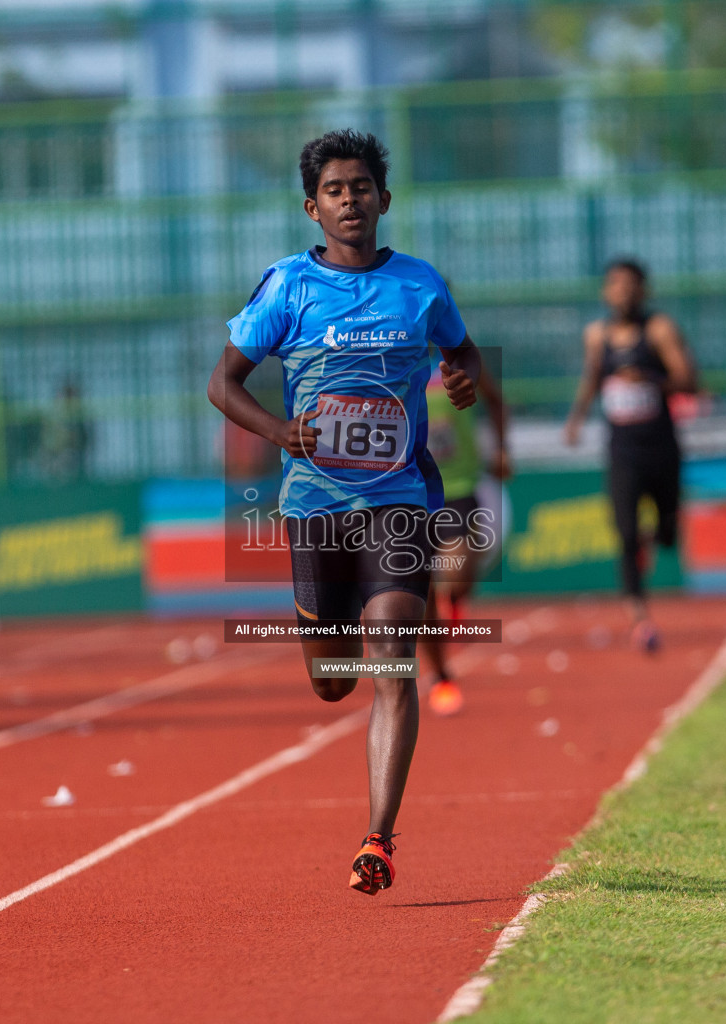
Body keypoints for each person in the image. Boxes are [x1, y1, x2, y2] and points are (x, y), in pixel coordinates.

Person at [207, 129, 483, 895]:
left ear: (384, 200)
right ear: (312, 207)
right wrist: (277, 430)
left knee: (390, 665)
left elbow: (466, 353)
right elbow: (223, 383)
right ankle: (333, 667)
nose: (351, 199)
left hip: (399, 504)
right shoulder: (287, 288)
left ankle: (378, 840)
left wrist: (461, 378)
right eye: (335, 189)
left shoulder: (421, 285)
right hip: (316, 507)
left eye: (362, 187)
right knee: (333, 681)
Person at [564, 258, 697, 652]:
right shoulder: (596, 334)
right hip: (621, 450)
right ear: (606, 291)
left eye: (629, 285)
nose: (621, 292)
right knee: (624, 533)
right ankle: (640, 617)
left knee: (669, 530)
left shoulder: (659, 330)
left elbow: (689, 379)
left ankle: (655, 536)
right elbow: (592, 377)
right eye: (614, 284)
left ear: (643, 291)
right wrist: (576, 419)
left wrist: (651, 379)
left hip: (661, 447)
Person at [419, 359, 509, 716]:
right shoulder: (382, 366)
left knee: (456, 575)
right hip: (409, 491)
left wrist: (502, 449)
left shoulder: (459, 363)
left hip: (457, 486)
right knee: (419, 590)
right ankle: (440, 674)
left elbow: (497, 401)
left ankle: (453, 604)